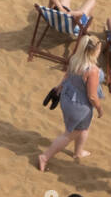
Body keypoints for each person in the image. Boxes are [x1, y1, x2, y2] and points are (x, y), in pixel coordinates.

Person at [37, 35, 103, 171]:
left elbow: (66, 76)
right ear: (94, 51)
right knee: (69, 134)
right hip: (79, 105)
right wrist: (99, 108)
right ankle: (45, 156)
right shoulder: (92, 70)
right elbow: (92, 95)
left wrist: (58, 88)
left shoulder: (75, 60)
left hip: (67, 98)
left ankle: (78, 152)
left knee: (83, 128)